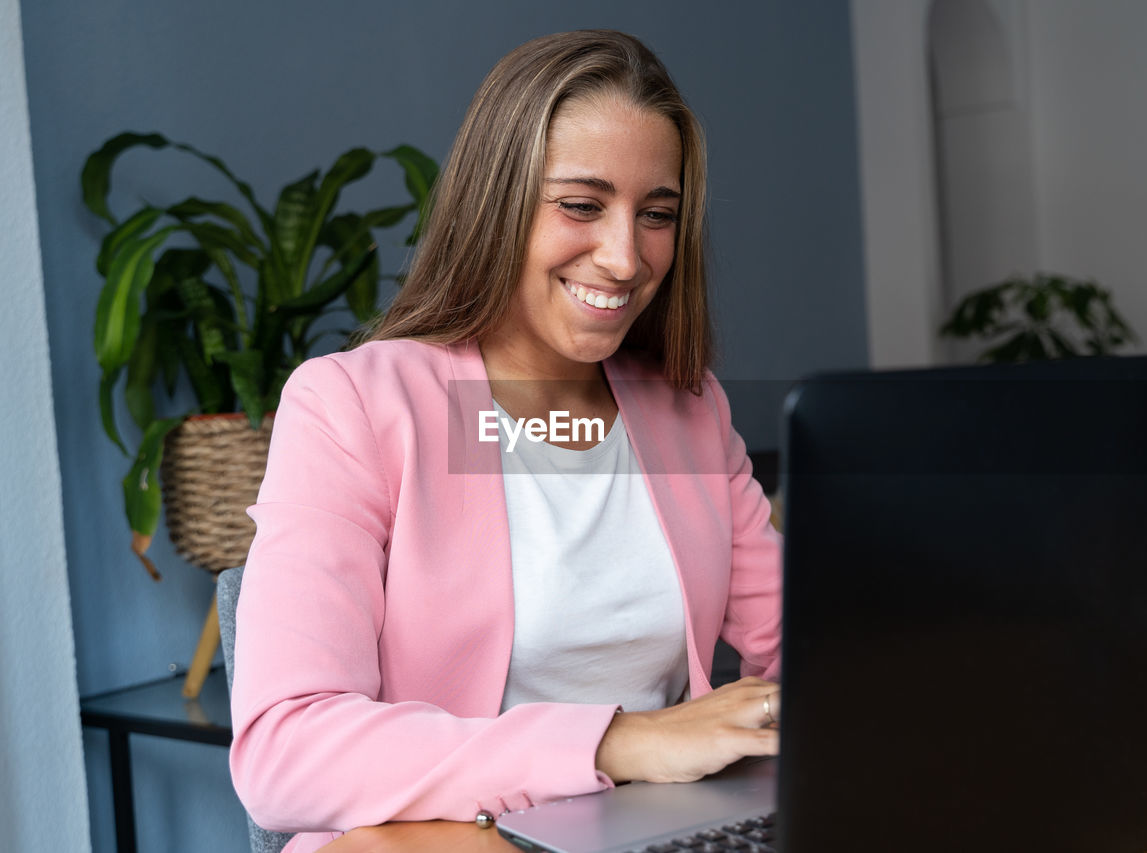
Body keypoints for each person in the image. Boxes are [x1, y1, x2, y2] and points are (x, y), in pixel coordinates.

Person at [229, 29, 781, 852]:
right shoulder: (357, 406)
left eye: (656, 215)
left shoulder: (686, 412)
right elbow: (287, 749)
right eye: (582, 205)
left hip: (664, 833)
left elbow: (817, 648)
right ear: (498, 201)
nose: (626, 257)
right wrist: (619, 740)